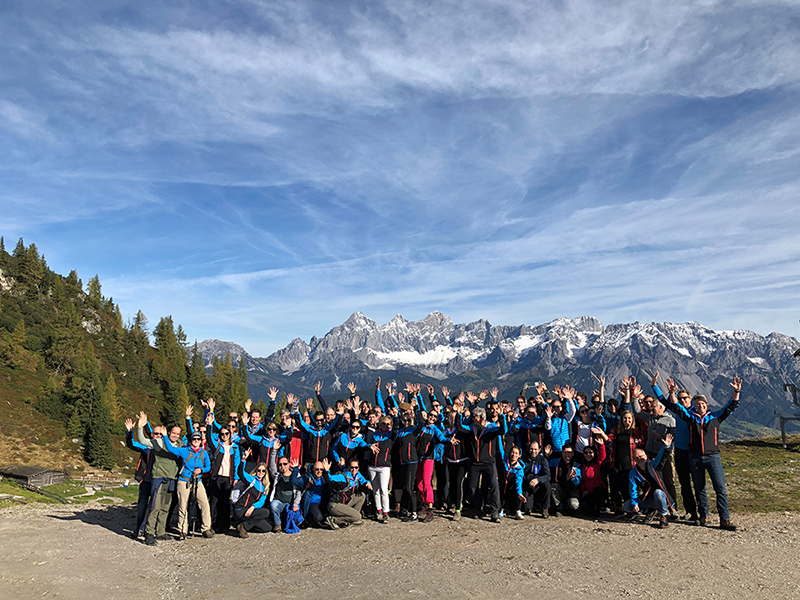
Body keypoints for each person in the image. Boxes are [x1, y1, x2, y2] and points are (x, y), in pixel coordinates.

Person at [665, 376, 741, 531]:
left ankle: (724, 519)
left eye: (702, 403)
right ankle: (703, 515)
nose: (700, 406)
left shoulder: (715, 417)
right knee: (700, 488)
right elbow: (677, 409)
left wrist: (736, 391)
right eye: (697, 404)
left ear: (707, 405)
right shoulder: (690, 418)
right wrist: (672, 393)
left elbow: (731, 406)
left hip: (713, 456)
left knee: (720, 488)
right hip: (695, 457)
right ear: (694, 406)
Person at [158, 410, 214, 540]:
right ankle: (182, 530)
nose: (196, 441)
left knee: (204, 503)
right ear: (190, 440)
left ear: (201, 441)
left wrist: (201, 470)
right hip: (184, 481)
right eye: (194, 439)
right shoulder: (184, 451)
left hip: (197, 481)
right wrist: (165, 437)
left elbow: (208, 467)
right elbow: (171, 449)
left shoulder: (204, 453)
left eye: (198, 439)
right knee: (183, 505)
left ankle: (206, 528)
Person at [135, 412, 182, 546]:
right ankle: (149, 533)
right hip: (159, 478)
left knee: (165, 507)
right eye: (173, 433)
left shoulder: (180, 444)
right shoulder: (159, 443)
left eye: (178, 434)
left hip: (171, 479)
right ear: (168, 432)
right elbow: (143, 441)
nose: (175, 435)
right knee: (155, 506)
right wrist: (140, 428)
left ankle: (160, 531)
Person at [455, 405, 508, 522]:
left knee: (494, 485)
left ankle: (495, 511)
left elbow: (503, 430)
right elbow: (459, 427)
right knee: (472, 488)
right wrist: (458, 414)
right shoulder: (472, 428)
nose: (473, 419)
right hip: (475, 463)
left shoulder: (491, 428)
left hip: (489, 462)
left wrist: (501, 415)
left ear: (480, 417)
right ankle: (480, 507)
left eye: (474, 417)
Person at [624, 434, 675, 528]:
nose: (640, 459)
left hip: (661, 497)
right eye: (637, 458)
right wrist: (635, 503)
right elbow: (633, 489)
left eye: (641, 456)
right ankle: (650, 510)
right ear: (634, 460)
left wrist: (666, 447)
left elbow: (661, 457)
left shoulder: (653, 465)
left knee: (658, 493)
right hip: (647, 498)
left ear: (646, 456)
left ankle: (663, 515)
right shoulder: (633, 473)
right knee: (627, 506)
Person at [204, 414, 241, 533]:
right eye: (222, 434)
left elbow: (237, 464)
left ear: (230, 435)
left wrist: (236, 478)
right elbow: (209, 439)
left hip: (228, 479)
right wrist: (209, 424)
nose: (224, 436)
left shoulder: (235, 448)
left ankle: (223, 525)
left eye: (227, 434)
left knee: (224, 503)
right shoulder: (218, 446)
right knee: (213, 502)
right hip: (216, 477)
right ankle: (208, 524)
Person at [124, 418, 154, 539]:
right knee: (141, 507)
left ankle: (148, 530)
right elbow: (131, 444)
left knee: (153, 507)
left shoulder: (163, 447)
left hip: (158, 481)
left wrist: (147, 424)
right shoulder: (145, 447)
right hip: (145, 480)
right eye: (154, 434)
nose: (156, 436)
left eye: (159, 434)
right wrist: (130, 432)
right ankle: (138, 529)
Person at [322, 458, 373, 529]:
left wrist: (368, 483)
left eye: (356, 467)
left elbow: (363, 480)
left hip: (345, 501)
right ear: (349, 467)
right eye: (352, 467)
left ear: (358, 468)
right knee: (358, 516)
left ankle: (352, 518)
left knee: (362, 496)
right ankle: (334, 520)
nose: (354, 469)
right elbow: (329, 479)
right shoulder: (343, 476)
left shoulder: (357, 475)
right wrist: (326, 471)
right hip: (335, 504)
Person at [233, 458, 271, 538]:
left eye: (263, 471)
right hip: (241, 509)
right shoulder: (251, 479)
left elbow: (261, 502)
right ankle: (243, 526)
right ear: (256, 470)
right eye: (259, 470)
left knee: (267, 528)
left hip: (250, 511)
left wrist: (253, 507)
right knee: (265, 512)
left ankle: (244, 525)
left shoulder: (265, 487)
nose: (261, 472)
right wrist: (243, 460)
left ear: (265, 473)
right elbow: (241, 473)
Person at [268, 457, 304, 532]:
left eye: (285, 464)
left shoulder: (296, 475)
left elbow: (298, 492)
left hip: (291, 503)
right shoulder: (277, 476)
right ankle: (278, 524)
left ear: (289, 465)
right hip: (279, 502)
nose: (283, 466)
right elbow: (271, 466)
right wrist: (274, 451)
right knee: (273, 505)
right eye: (280, 464)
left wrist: (295, 504)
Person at [523, 440, 551, 517]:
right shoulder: (524, 459)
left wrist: (538, 479)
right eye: (531, 449)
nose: (533, 451)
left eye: (535, 449)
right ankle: (533, 506)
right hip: (528, 486)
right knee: (526, 508)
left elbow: (548, 476)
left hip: (539, 486)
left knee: (547, 485)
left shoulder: (543, 460)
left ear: (539, 450)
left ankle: (545, 509)